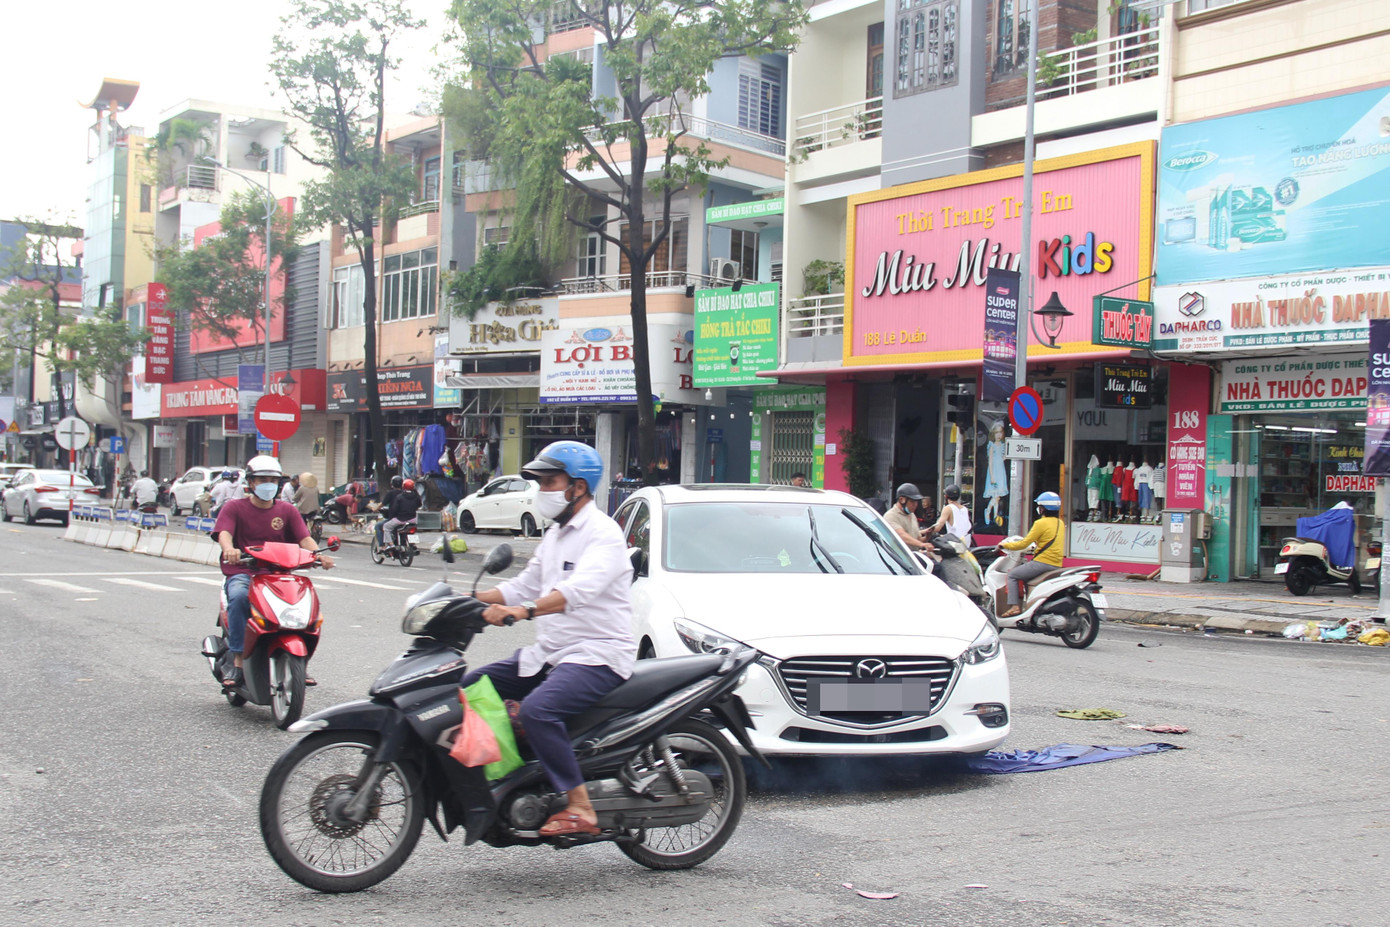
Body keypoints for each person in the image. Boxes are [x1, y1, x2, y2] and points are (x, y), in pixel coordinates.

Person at [466, 440, 635, 837]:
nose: (542, 490)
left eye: (549, 481)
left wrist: (522, 612)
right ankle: (512, 778)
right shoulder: (556, 534)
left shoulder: (603, 533)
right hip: (551, 653)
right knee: (471, 686)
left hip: (597, 654)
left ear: (577, 486)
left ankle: (580, 806)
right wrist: (467, 601)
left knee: (536, 711)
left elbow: (578, 591)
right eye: (539, 482)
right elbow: (525, 584)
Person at [214, 456, 335, 688]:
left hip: (279, 573)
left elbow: (304, 538)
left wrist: (318, 556)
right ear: (250, 483)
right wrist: (229, 549)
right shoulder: (234, 508)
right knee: (239, 597)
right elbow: (224, 533)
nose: (267, 484)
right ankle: (238, 661)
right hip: (244, 572)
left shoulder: (287, 511)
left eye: (272, 480)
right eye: (262, 480)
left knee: (307, 602)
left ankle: (301, 660)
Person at [997, 491, 1065, 618]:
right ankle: (1030, 606)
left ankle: (1015, 606)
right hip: (1056, 564)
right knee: (1027, 578)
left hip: (1042, 563)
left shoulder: (1040, 523)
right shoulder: (1060, 523)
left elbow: (1023, 543)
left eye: (1039, 506)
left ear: (1043, 508)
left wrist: (1004, 545)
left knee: (1013, 575)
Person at [883, 482, 934, 553]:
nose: (915, 505)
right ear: (901, 500)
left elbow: (918, 540)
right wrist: (922, 544)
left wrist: (927, 536)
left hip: (912, 557)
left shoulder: (912, 515)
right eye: (912, 501)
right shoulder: (891, 516)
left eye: (916, 502)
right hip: (898, 557)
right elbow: (901, 535)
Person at [377, 478, 422, 548]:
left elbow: (394, 509)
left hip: (400, 519)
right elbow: (419, 505)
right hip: (413, 519)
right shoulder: (416, 496)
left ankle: (391, 545)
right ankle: (412, 543)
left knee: (386, 527)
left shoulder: (400, 497)